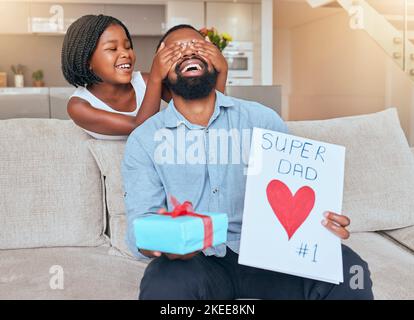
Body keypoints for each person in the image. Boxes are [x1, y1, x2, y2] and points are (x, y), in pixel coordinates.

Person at [122, 24, 374, 300]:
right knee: (163, 282)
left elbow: (293, 190)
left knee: (349, 270)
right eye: (175, 51)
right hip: (196, 260)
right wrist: (165, 242)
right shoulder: (144, 140)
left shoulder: (263, 120)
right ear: (160, 69)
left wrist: (321, 224)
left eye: (197, 46)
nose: (188, 53)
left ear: (215, 59)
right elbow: (140, 227)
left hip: (270, 254)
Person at [61, 16, 228, 140]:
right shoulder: (79, 106)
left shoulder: (144, 81)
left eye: (128, 46)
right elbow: (139, 127)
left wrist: (222, 71)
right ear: (87, 60)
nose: (125, 54)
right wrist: (156, 75)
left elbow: (200, 112)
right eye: (112, 49)